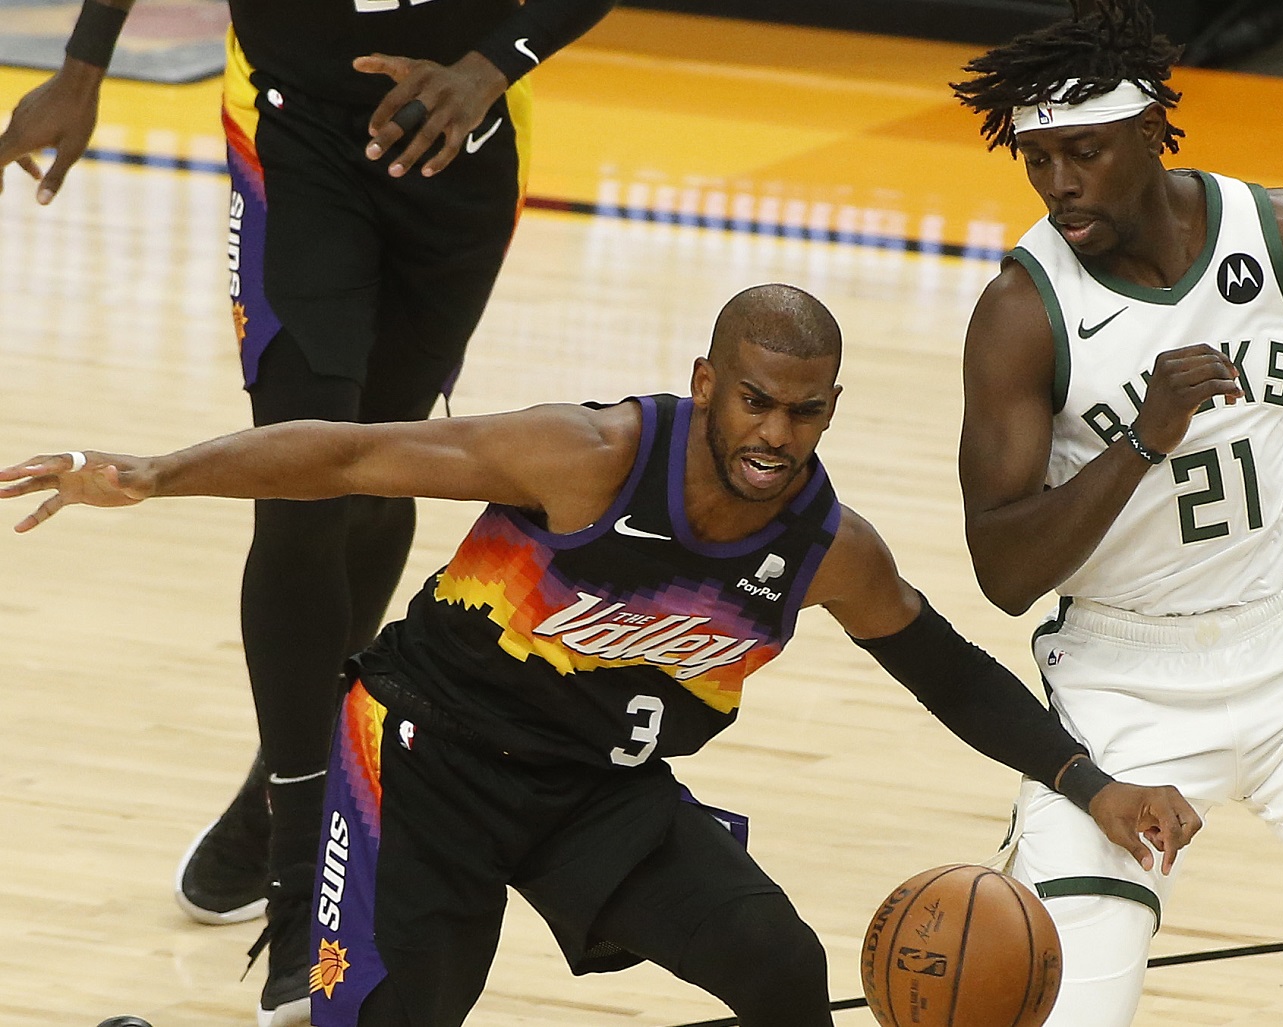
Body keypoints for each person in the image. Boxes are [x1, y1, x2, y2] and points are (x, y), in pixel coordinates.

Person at [1, 283, 1201, 1027]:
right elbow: (350, 454)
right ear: (707, 387)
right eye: (755, 403)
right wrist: (154, 474)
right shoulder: (586, 456)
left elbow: (941, 664)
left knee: (782, 971)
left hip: (596, 795)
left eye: (805, 411)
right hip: (420, 766)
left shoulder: (826, 545)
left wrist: (1090, 784)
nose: (777, 436)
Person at [0, 0, 615, 1022]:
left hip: (456, 137)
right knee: (297, 486)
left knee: (377, 462)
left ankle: (285, 777)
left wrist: (491, 63)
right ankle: (302, 882)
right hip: (291, 136)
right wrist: (82, 64)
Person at [952, 2, 1283, 1024]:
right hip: (1123, 683)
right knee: (1072, 1010)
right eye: (1036, 159)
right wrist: (1145, 436)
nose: (1059, 184)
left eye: (1085, 153)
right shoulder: (1023, 314)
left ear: (1153, 132)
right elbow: (1002, 570)